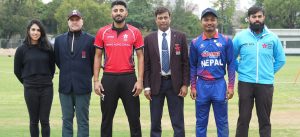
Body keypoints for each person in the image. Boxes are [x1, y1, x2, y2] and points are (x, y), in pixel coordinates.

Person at [93, 1, 144, 137]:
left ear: (126, 13)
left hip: (129, 78)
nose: (118, 13)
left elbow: (140, 57)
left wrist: (140, 80)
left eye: (121, 10)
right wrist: (96, 81)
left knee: (134, 118)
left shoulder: (135, 32)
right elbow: (98, 56)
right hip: (108, 79)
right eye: (115, 10)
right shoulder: (102, 32)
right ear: (111, 13)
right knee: (106, 119)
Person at [233, 6, 286, 137]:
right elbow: (231, 57)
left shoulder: (272, 37)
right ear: (249, 19)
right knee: (243, 119)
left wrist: (268, 72)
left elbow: (281, 60)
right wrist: (241, 70)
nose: (257, 19)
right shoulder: (240, 37)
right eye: (254, 17)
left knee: (265, 120)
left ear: (264, 18)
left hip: (265, 84)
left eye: (259, 16)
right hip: (245, 83)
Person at [189, 8, 235, 137]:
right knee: (201, 122)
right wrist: (193, 86)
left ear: (217, 22)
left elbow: (231, 64)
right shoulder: (195, 42)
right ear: (201, 22)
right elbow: (192, 66)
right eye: (206, 20)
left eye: (212, 20)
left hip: (219, 85)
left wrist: (231, 86)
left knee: (222, 122)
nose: (209, 22)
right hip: (201, 85)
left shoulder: (226, 41)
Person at [143, 7, 189, 137]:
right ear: (156, 20)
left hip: (176, 85)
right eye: (160, 18)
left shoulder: (180, 36)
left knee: (178, 122)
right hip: (156, 85)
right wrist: (146, 86)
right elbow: (146, 65)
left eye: (165, 17)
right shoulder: (149, 39)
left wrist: (185, 84)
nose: (163, 20)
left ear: (170, 18)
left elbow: (186, 63)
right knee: (155, 122)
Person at [54, 9, 95, 137]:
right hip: (65, 87)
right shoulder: (59, 40)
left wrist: (83, 76)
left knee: (82, 121)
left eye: (77, 19)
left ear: (82, 21)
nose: (75, 22)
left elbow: (94, 63)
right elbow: (58, 61)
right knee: (66, 120)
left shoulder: (90, 40)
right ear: (68, 22)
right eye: (72, 20)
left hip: (83, 87)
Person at [14, 19, 55, 137]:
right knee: (33, 121)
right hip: (30, 88)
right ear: (28, 31)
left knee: (45, 121)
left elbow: (52, 68)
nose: (35, 32)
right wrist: (27, 82)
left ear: (41, 32)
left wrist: (45, 80)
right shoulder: (21, 50)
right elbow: (17, 71)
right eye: (33, 30)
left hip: (47, 88)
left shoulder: (48, 48)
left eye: (38, 30)